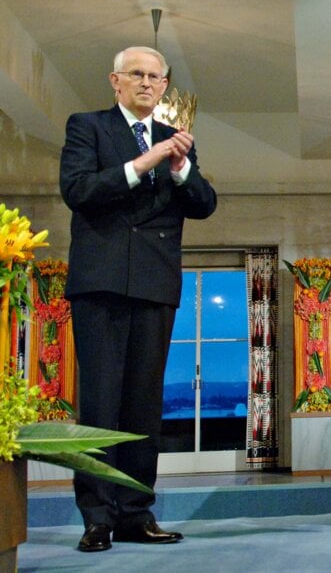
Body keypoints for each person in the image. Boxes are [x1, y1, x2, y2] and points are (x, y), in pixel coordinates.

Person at [59, 46, 218, 552]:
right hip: (101, 282)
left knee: (144, 407)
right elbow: (78, 190)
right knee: (101, 403)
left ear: (165, 85)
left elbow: (205, 205)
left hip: (154, 284)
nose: (147, 83)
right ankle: (97, 518)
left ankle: (135, 512)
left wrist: (178, 171)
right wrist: (142, 162)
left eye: (156, 77)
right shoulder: (87, 126)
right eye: (137, 75)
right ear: (115, 80)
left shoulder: (178, 140)